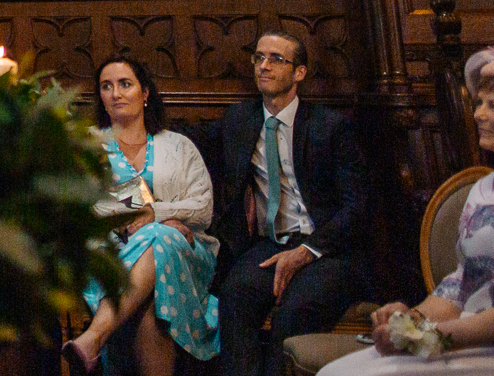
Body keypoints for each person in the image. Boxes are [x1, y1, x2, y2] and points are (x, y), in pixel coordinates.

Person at [318, 0, 494, 376]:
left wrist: (435, 337)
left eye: (493, 106)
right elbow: (462, 283)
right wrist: (412, 319)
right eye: (480, 102)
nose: (478, 114)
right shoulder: (490, 184)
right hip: (469, 337)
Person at [212, 31, 372, 376]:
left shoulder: (331, 127)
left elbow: (356, 207)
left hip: (328, 249)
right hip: (271, 244)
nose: (263, 66)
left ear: (299, 72)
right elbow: (190, 140)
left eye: (275, 59)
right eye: (258, 58)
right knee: (235, 295)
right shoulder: (240, 120)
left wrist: (307, 252)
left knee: (296, 310)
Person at [66, 55, 219, 376]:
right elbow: (83, 206)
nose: (116, 93)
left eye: (125, 84)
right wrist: (164, 223)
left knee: (161, 238)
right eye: (106, 87)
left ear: (145, 92)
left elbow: (202, 207)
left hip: (186, 254)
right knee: (151, 306)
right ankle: (97, 338)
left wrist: (157, 215)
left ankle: (94, 336)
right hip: (110, 255)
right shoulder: (87, 146)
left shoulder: (179, 146)